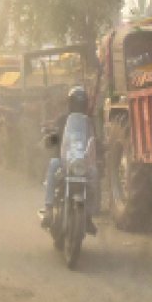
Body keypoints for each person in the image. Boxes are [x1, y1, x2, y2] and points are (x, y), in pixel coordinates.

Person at [40, 85, 98, 235]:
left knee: (94, 173)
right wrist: (50, 139)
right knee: (53, 164)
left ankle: (89, 215)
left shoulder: (89, 123)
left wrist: (100, 147)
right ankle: (48, 208)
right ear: (71, 103)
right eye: (76, 102)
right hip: (65, 160)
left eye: (81, 103)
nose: (79, 106)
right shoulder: (62, 120)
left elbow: (94, 140)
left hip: (81, 163)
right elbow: (55, 135)